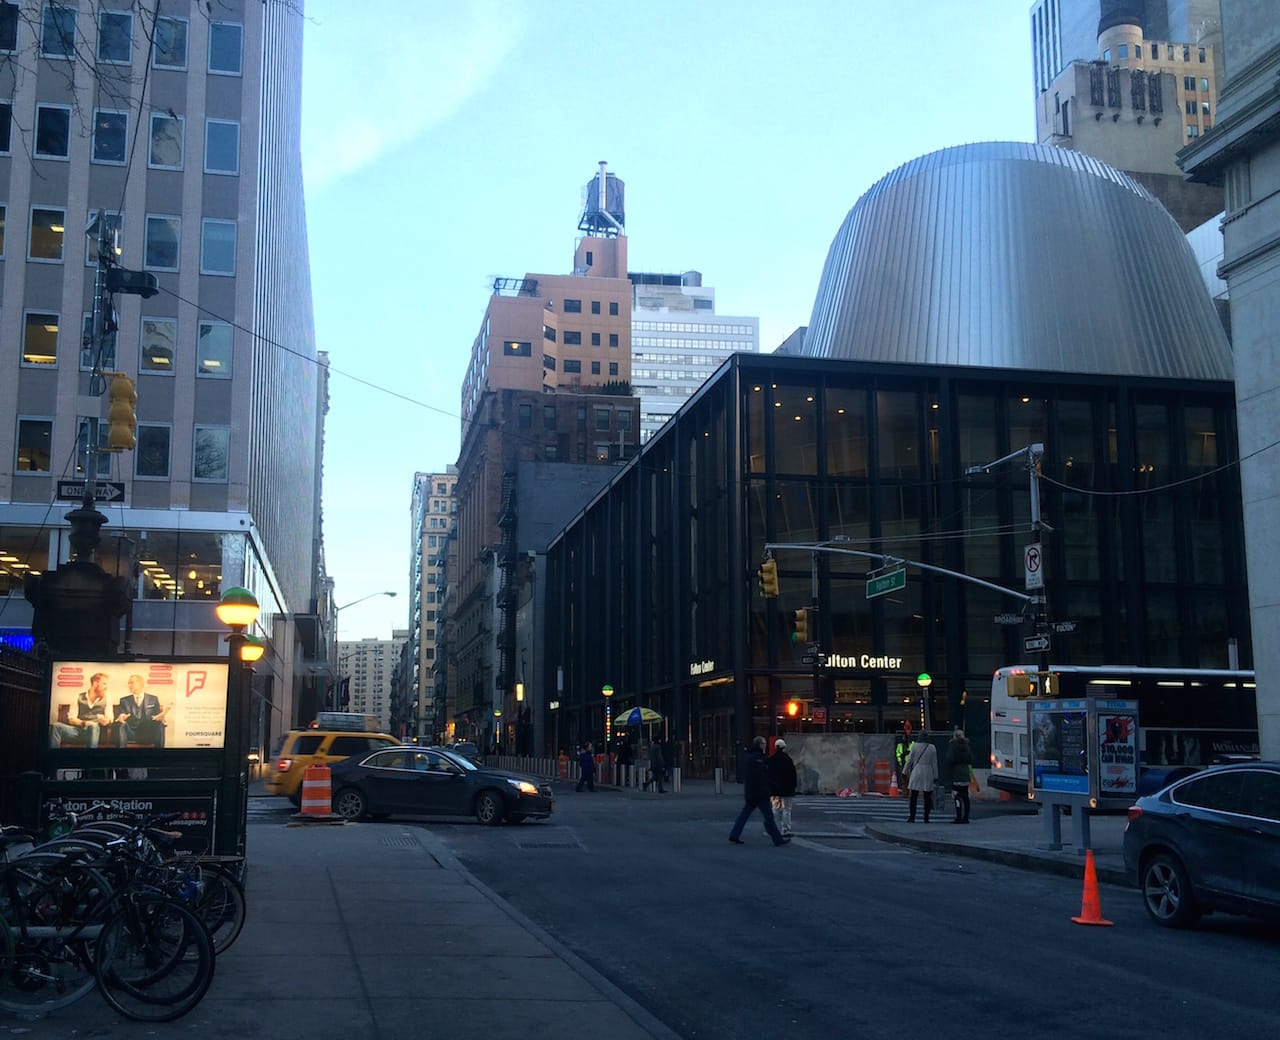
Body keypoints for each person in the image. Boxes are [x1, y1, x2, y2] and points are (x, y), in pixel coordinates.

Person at [728, 736, 789, 846]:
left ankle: (734, 834)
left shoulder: (749, 757)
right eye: (764, 743)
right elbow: (764, 776)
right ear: (760, 745)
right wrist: (774, 786)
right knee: (769, 816)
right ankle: (777, 838)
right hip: (761, 793)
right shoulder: (760, 759)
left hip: (751, 791)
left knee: (744, 815)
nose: (765, 745)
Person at [50, 672, 109, 748]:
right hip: (78, 730)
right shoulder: (78, 696)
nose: (106, 687)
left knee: (93, 726)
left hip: (95, 732)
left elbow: (110, 717)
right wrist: (84, 723)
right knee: (56, 726)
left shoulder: (107, 698)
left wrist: (106, 720)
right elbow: (71, 719)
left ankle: (91, 755)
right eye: (104, 684)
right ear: (95, 683)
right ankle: (52, 754)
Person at [114, 674, 168, 748]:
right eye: (129, 683)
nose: (129, 685)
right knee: (121, 725)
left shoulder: (153, 699)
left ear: (141, 684)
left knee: (160, 724)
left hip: (148, 733)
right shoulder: (124, 700)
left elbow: (158, 715)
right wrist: (122, 716)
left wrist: (161, 718)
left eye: (132, 683)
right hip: (131, 732)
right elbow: (122, 714)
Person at [902, 735, 939, 823]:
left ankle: (912, 816)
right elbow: (934, 763)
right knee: (927, 796)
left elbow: (910, 760)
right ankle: (926, 817)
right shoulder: (932, 747)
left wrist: (904, 771)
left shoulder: (915, 746)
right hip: (928, 771)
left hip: (917, 770)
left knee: (914, 796)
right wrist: (936, 776)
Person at [767, 738, 798, 837]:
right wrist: (793, 786)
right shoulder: (788, 760)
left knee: (775, 809)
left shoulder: (771, 760)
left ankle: (774, 829)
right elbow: (793, 775)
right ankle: (785, 829)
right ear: (784, 748)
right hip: (787, 789)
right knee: (787, 810)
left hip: (775, 790)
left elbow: (768, 775)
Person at [945, 728, 973, 824]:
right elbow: (971, 758)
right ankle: (966, 817)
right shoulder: (967, 746)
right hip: (965, 773)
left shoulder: (953, 746)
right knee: (965, 797)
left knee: (957, 796)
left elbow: (950, 759)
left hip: (956, 774)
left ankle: (958, 816)